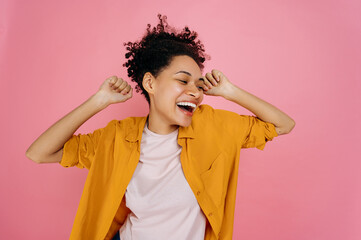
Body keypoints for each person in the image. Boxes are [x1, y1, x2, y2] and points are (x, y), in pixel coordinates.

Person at [26, 14, 295, 240]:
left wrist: (231, 91)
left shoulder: (214, 125)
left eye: (199, 85)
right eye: (183, 81)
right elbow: (39, 153)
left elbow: (283, 125)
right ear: (150, 84)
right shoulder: (116, 138)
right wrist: (99, 101)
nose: (196, 93)